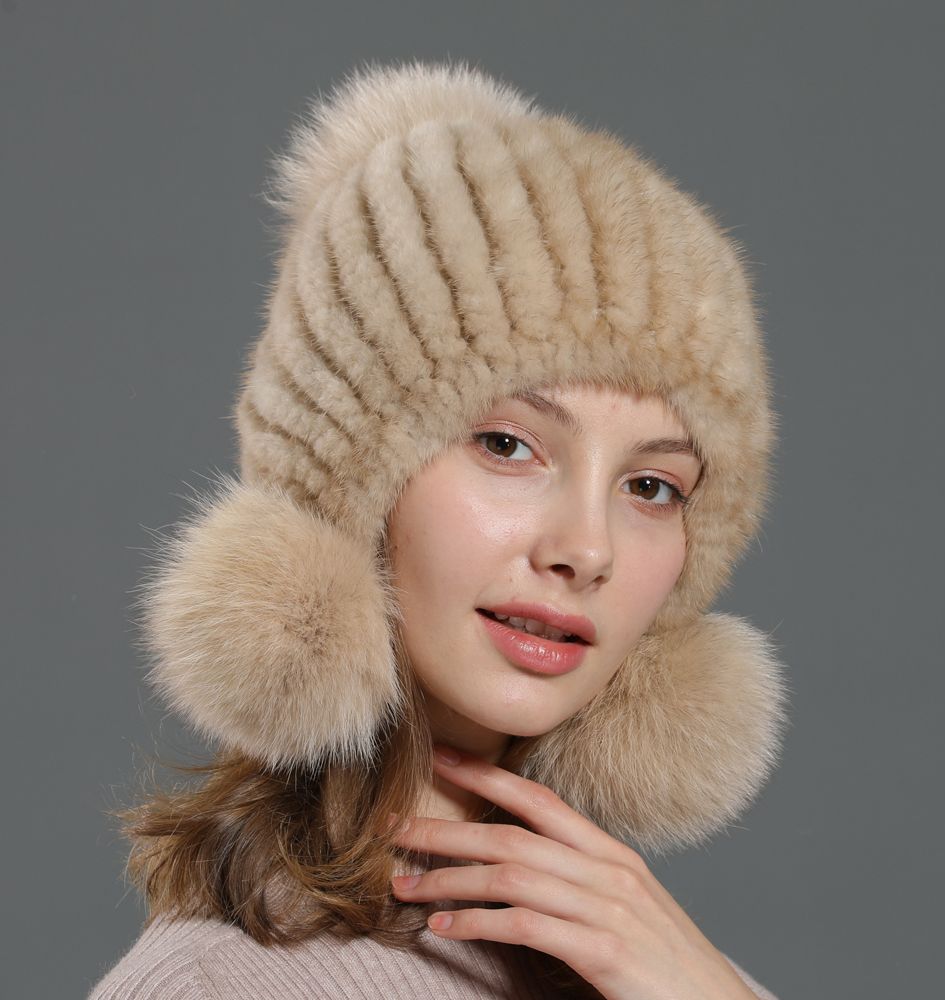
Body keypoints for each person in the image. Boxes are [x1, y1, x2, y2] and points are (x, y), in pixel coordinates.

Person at [87, 59, 789, 999]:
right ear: (349, 489)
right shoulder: (214, 984)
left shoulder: (666, 971)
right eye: (507, 444)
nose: (586, 550)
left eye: (652, 486)